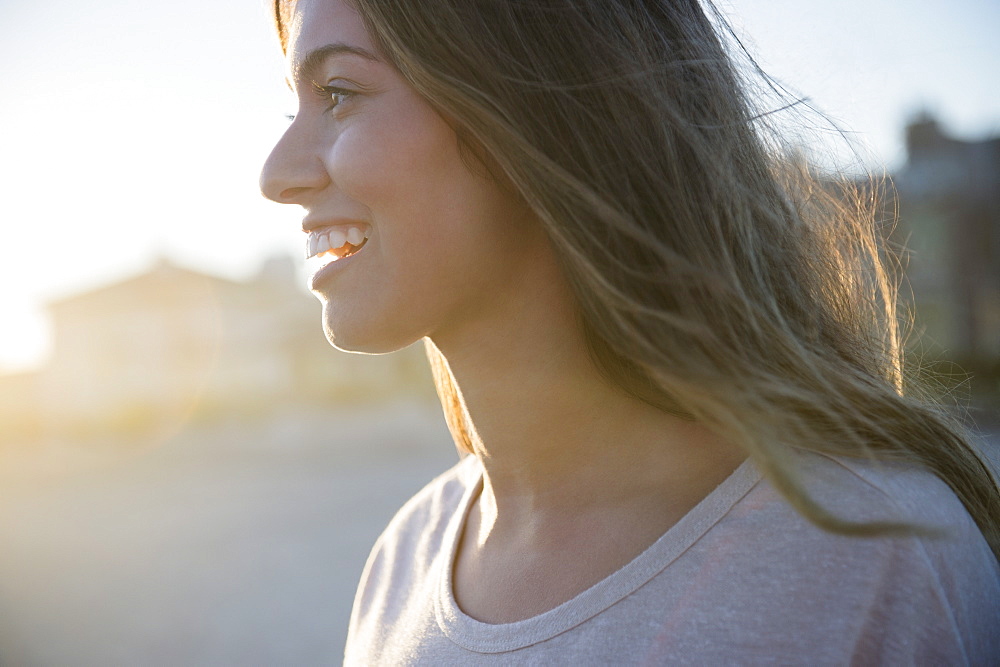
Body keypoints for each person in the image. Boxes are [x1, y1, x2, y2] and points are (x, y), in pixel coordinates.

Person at [259, 0, 1000, 663]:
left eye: (340, 94)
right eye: (292, 109)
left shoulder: (880, 555)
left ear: (533, 112)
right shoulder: (403, 562)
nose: (275, 173)